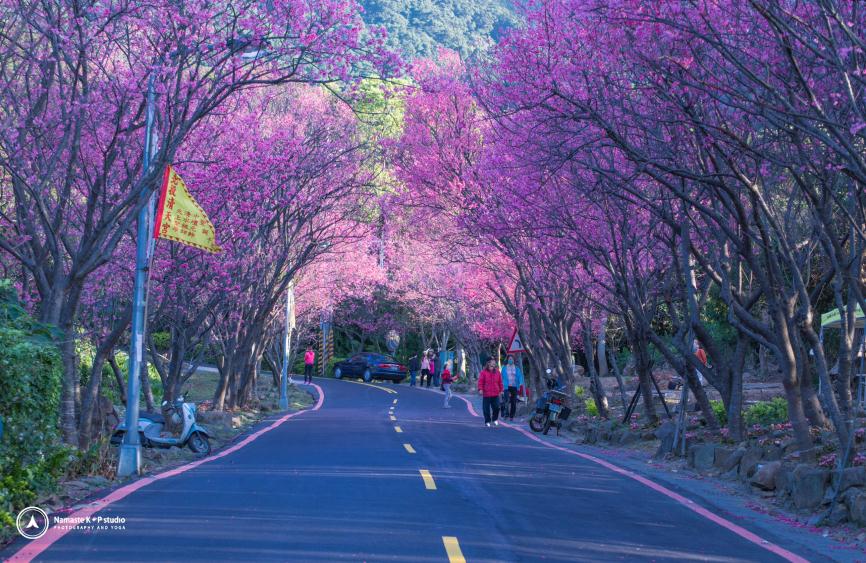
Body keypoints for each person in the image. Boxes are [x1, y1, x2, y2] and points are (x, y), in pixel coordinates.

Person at [478, 359, 504, 427]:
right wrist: (480, 389)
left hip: (495, 393)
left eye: (494, 362)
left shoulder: (497, 372)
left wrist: (501, 390)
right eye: (492, 362)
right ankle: (487, 421)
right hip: (486, 393)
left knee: (497, 407)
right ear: (488, 363)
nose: (494, 363)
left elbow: (500, 382)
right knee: (486, 409)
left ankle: (495, 419)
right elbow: (480, 381)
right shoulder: (483, 372)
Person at [500, 355, 524, 421]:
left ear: (514, 360)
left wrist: (520, 383)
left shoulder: (517, 368)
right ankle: (506, 414)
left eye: (512, 359)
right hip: (506, 386)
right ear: (507, 360)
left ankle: (512, 416)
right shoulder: (504, 368)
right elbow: (501, 377)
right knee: (506, 400)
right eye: (509, 359)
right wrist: (501, 386)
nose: (511, 360)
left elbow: (520, 377)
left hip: (514, 386)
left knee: (513, 402)